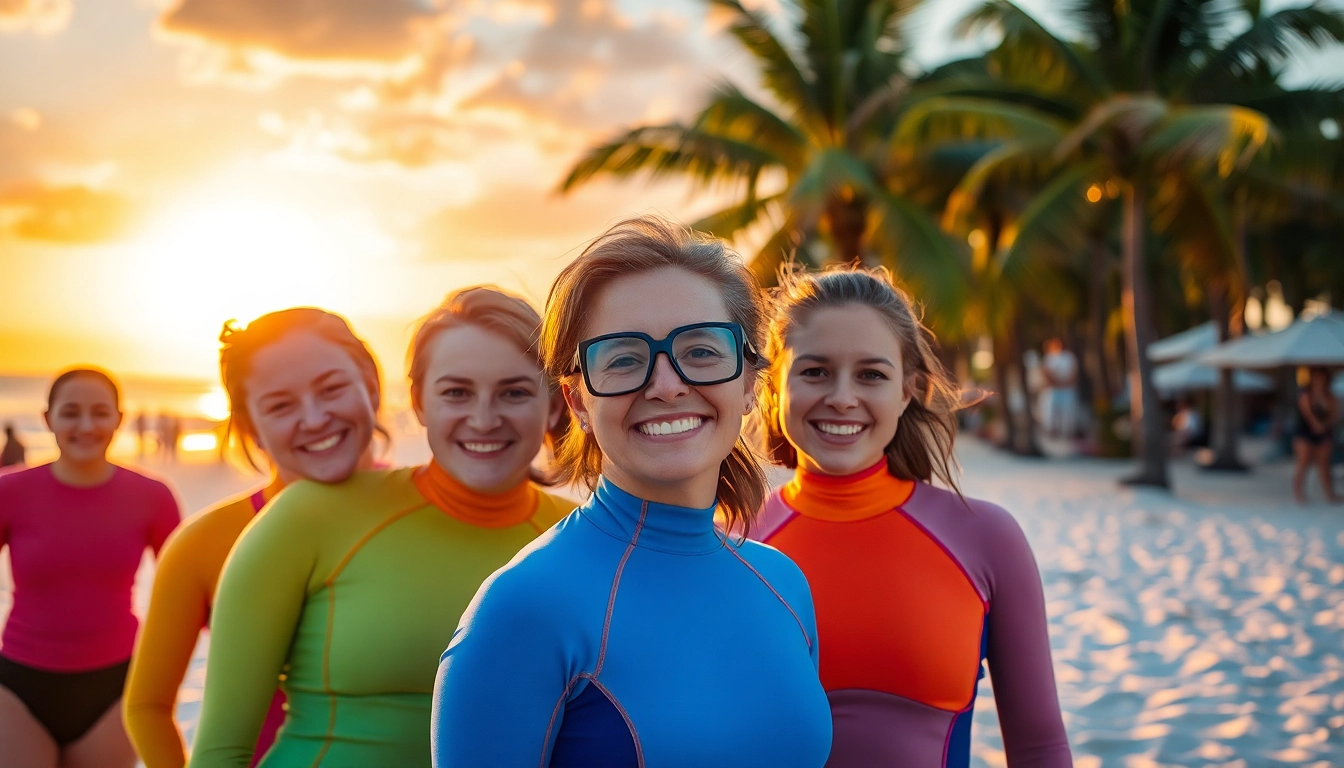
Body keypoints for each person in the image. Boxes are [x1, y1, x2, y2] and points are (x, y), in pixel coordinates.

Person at [432, 216, 833, 767]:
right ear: (577, 403)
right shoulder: (523, 609)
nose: (666, 385)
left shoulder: (784, 585)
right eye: (624, 358)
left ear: (748, 383)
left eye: (701, 351)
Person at [190, 287, 575, 767]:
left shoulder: (582, 542)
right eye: (456, 392)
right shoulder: (308, 515)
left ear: (558, 403)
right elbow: (220, 752)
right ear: (417, 401)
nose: (483, 419)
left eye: (514, 392)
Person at [750, 268, 1071, 768]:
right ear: (773, 386)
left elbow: (1040, 748)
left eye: (871, 375)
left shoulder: (983, 539)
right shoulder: (733, 544)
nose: (841, 397)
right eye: (814, 371)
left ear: (908, 390)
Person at [123, 309, 385, 768]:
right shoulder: (203, 544)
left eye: (332, 389)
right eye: (280, 405)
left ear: (371, 384)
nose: (314, 417)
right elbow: (147, 707)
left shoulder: (438, 509)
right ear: (248, 424)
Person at [0, 368, 181, 768]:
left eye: (100, 413)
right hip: (17, 687)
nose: (86, 426)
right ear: (48, 419)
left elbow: (186, 594)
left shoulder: (153, 496)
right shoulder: (8, 491)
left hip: (115, 689)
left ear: (119, 418)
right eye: (71, 413)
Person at [1293, 366, 1340, 504]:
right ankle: (1299, 494)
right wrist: (1318, 425)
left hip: (1323, 432)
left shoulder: (1329, 395)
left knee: (1324, 465)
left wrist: (1324, 424)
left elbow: (1334, 415)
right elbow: (1308, 415)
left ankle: (1329, 494)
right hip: (1304, 432)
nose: (1319, 380)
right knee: (1303, 463)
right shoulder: (1305, 394)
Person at [1039, 338, 1078, 438]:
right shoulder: (1048, 358)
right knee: (1051, 413)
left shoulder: (1069, 357)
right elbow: (1046, 373)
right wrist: (1056, 383)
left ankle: (1066, 433)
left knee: (1067, 414)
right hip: (1053, 390)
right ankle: (1052, 432)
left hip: (1067, 390)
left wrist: (1064, 383)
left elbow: (1073, 373)